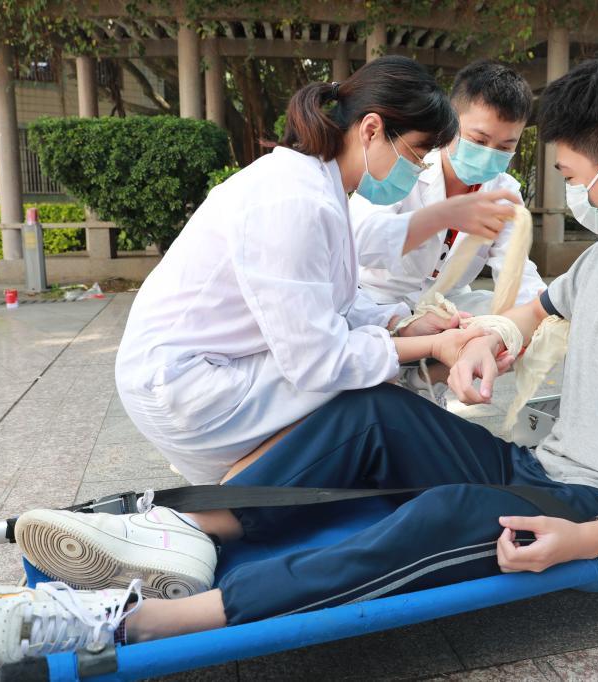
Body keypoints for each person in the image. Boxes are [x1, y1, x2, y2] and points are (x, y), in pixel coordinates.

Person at [0, 43, 598, 679]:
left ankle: (127, 620)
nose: (570, 190)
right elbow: (536, 308)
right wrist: (490, 342)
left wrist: (589, 538)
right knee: (372, 411)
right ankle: (184, 532)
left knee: (444, 515)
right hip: (537, 465)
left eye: (570, 173)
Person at [111, 56, 489, 490]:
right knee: (365, 401)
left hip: (213, 367)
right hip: (186, 386)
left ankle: (227, 499)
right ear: (371, 129)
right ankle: (203, 512)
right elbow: (319, 362)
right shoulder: (294, 200)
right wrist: (434, 345)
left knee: (370, 378)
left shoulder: (319, 184)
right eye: (416, 154)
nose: (417, 169)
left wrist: (399, 323)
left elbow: (332, 300)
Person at [351, 60, 545, 317]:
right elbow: (357, 240)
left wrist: (542, 308)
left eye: (505, 147)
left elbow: (515, 268)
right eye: (479, 140)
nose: (489, 154)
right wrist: (437, 219)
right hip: (378, 299)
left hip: (447, 302)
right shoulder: (404, 166)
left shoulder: (503, 193)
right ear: (450, 123)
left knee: (513, 315)